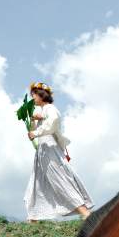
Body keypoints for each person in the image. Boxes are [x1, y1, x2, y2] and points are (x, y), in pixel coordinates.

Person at [23, 82, 93, 222]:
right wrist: (33, 120)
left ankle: (85, 212)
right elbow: (36, 128)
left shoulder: (50, 108)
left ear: (41, 95)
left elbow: (53, 122)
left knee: (59, 179)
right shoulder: (42, 111)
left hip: (50, 148)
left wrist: (36, 132)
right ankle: (34, 217)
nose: (33, 98)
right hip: (43, 150)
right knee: (38, 182)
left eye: (34, 95)